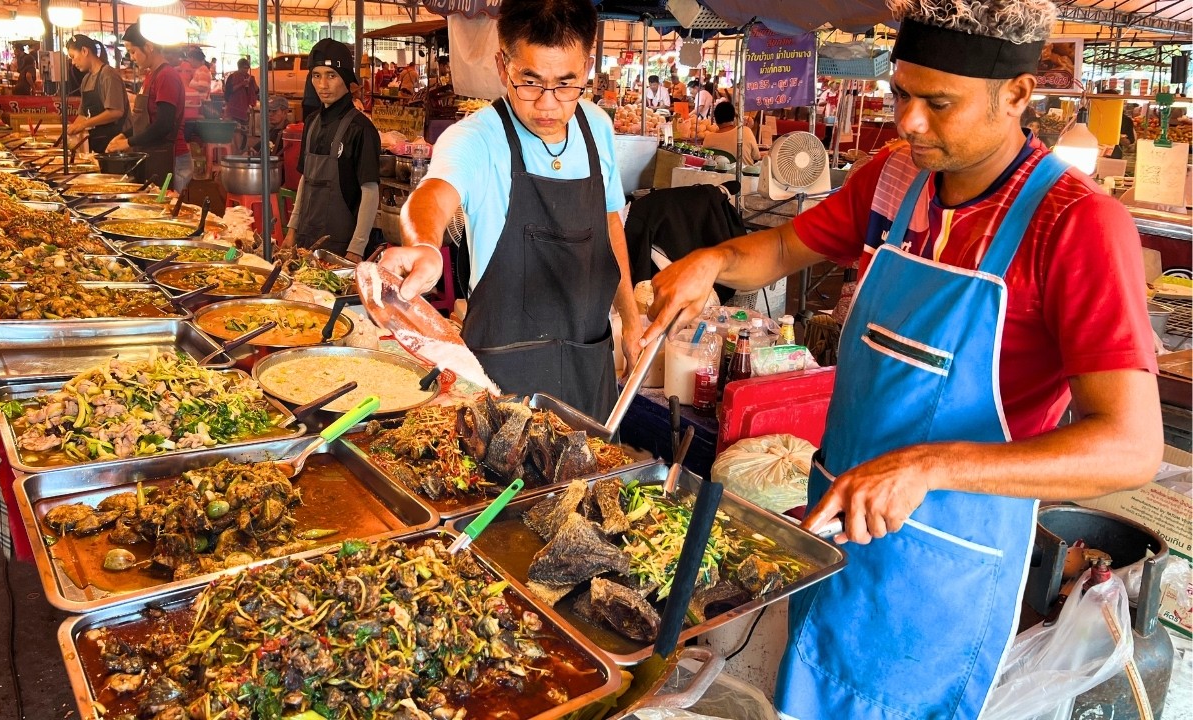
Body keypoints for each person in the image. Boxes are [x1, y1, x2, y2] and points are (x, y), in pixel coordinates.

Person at [644, 0, 1162, 716]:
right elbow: (788, 247)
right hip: (837, 525)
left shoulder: (1076, 225)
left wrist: (929, 465)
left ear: (1017, 94)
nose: (908, 122)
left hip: (945, 566)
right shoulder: (895, 177)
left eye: (938, 103)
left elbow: (1131, 446)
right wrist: (712, 260)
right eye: (902, 93)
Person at [379, 0, 643, 423]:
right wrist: (424, 244)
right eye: (531, 82)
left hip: (587, 366)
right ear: (504, 68)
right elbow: (433, 194)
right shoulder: (476, 138)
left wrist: (630, 320)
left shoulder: (598, 127)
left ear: (588, 69)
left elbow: (611, 222)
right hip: (502, 381)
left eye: (566, 83)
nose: (549, 105)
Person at [282, 39, 379, 262]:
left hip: (341, 248)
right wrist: (292, 230)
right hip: (305, 240)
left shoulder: (361, 129)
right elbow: (305, 179)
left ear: (345, 78)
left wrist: (356, 249)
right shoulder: (312, 122)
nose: (323, 85)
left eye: (331, 75)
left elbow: (370, 191)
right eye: (317, 75)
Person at [107, 24, 189, 191]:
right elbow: (145, 121)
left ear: (149, 47)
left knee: (166, 211)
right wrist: (123, 135)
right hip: (153, 155)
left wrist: (128, 142)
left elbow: (163, 125)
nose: (132, 57)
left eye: (133, 51)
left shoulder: (166, 76)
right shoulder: (152, 75)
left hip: (172, 159)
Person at [65, 35, 128, 154]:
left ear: (84, 51)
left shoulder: (108, 75)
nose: (72, 62)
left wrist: (84, 124)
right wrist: (71, 130)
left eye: (73, 57)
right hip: (97, 145)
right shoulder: (86, 79)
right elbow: (83, 114)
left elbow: (116, 112)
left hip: (115, 145)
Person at [702, 101, 761, 166]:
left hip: (716, 175)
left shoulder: (708, 138)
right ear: (733, 117)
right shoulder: (744, 131)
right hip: (744, 175)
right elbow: (756, 156)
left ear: (715, 119)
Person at [223, 57, 259, 123]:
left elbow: (256, 91)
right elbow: (229, 90)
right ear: (239, 67)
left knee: (243, 130)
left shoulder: (249, 77)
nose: (246, 70)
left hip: (245, 108)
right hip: (233, 107)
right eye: (244, 68)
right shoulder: (232, 77)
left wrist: (253, 82)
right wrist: (242, 84)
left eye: (247, 68)